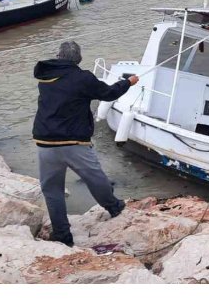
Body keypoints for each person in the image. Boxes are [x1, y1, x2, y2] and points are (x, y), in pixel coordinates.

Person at [32, 41, 138, 246]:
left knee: (52, 190)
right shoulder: (83, 78)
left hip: (45, 141)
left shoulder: (45, 77)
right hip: (73, 141)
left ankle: (62, 235)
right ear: (78, 59)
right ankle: (114, 207)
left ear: (58, 56)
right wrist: (129, 82)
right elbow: (109, 93)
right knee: (94, 177)